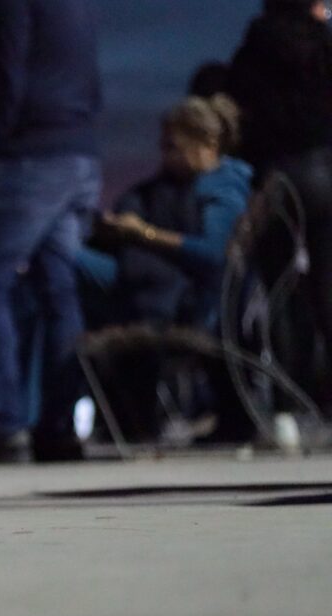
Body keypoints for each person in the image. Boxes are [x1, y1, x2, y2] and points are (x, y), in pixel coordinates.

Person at [0, 0, 103, 465]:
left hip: (32, 154)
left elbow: (3, 73)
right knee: (59, 290)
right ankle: (58, 428)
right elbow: (91, 80)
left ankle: (4, 426)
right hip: (80, 152)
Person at [81, 97, 254, 442]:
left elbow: (212, 254)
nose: (166, 156)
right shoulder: (177, 187)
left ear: (205, 144)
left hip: (195, 306)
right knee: (70, 268)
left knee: (83, 279)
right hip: (166, 293)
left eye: (173, 147)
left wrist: (143, 234)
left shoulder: (220, 187)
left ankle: (126, 417)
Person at [227, 0, 332, 408]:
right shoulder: (323, 46)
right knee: (328, 290)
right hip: (328, 164)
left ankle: (291, 403)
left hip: (283, 175)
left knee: (282, 291)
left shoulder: (256, 47)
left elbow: (241, 113)